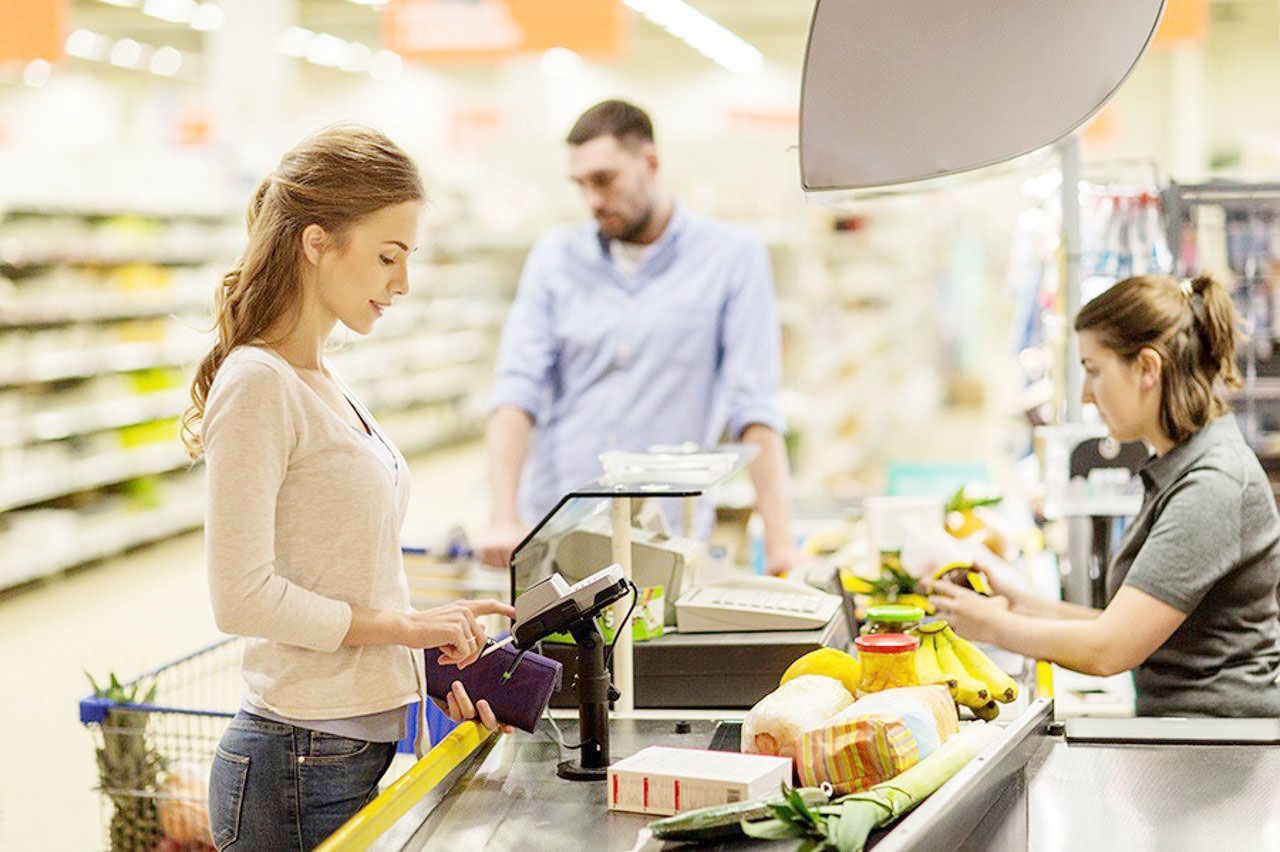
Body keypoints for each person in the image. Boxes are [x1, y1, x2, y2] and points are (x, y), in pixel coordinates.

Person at [185, 126, 515, 851]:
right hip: (292, 764)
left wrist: (433, 640)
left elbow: (340, 569)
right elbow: (239, 597)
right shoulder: (257, 383)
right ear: (315, 243)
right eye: (387, 257)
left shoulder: (325, 377)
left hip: (342, 752)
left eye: (409, 259)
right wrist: (405, 628)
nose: (402, 283)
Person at [932, 273, 1280, 717]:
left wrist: (994, 626)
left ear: (1148, 368)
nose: (1086, 393)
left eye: (1094, 370)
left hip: (1220, 745)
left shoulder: (1213, 483)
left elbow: (1110, 650)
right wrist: (1023, 603)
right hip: (1196, 732)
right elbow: (1124, 627)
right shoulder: (1187, 465)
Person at [478, 100, 799, 574]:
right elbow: (516, 390)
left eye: (604, 179)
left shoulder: (733, 258)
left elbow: (753, 409)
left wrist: (780, 546)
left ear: (650, 163)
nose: (592, 200)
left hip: (666, 537)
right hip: (556, 527)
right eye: (581, 185)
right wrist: (502, 515)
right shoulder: (554, 258)